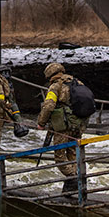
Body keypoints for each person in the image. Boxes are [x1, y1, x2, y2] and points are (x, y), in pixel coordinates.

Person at [36, 62, 90, 195]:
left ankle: (73, 179)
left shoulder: (55, 86)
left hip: (63, 127)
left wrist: (41, 122)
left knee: (60, 157)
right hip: (78, 125)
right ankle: (76, 183)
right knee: (72, 153)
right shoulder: (76, 82)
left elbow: (48, 106)